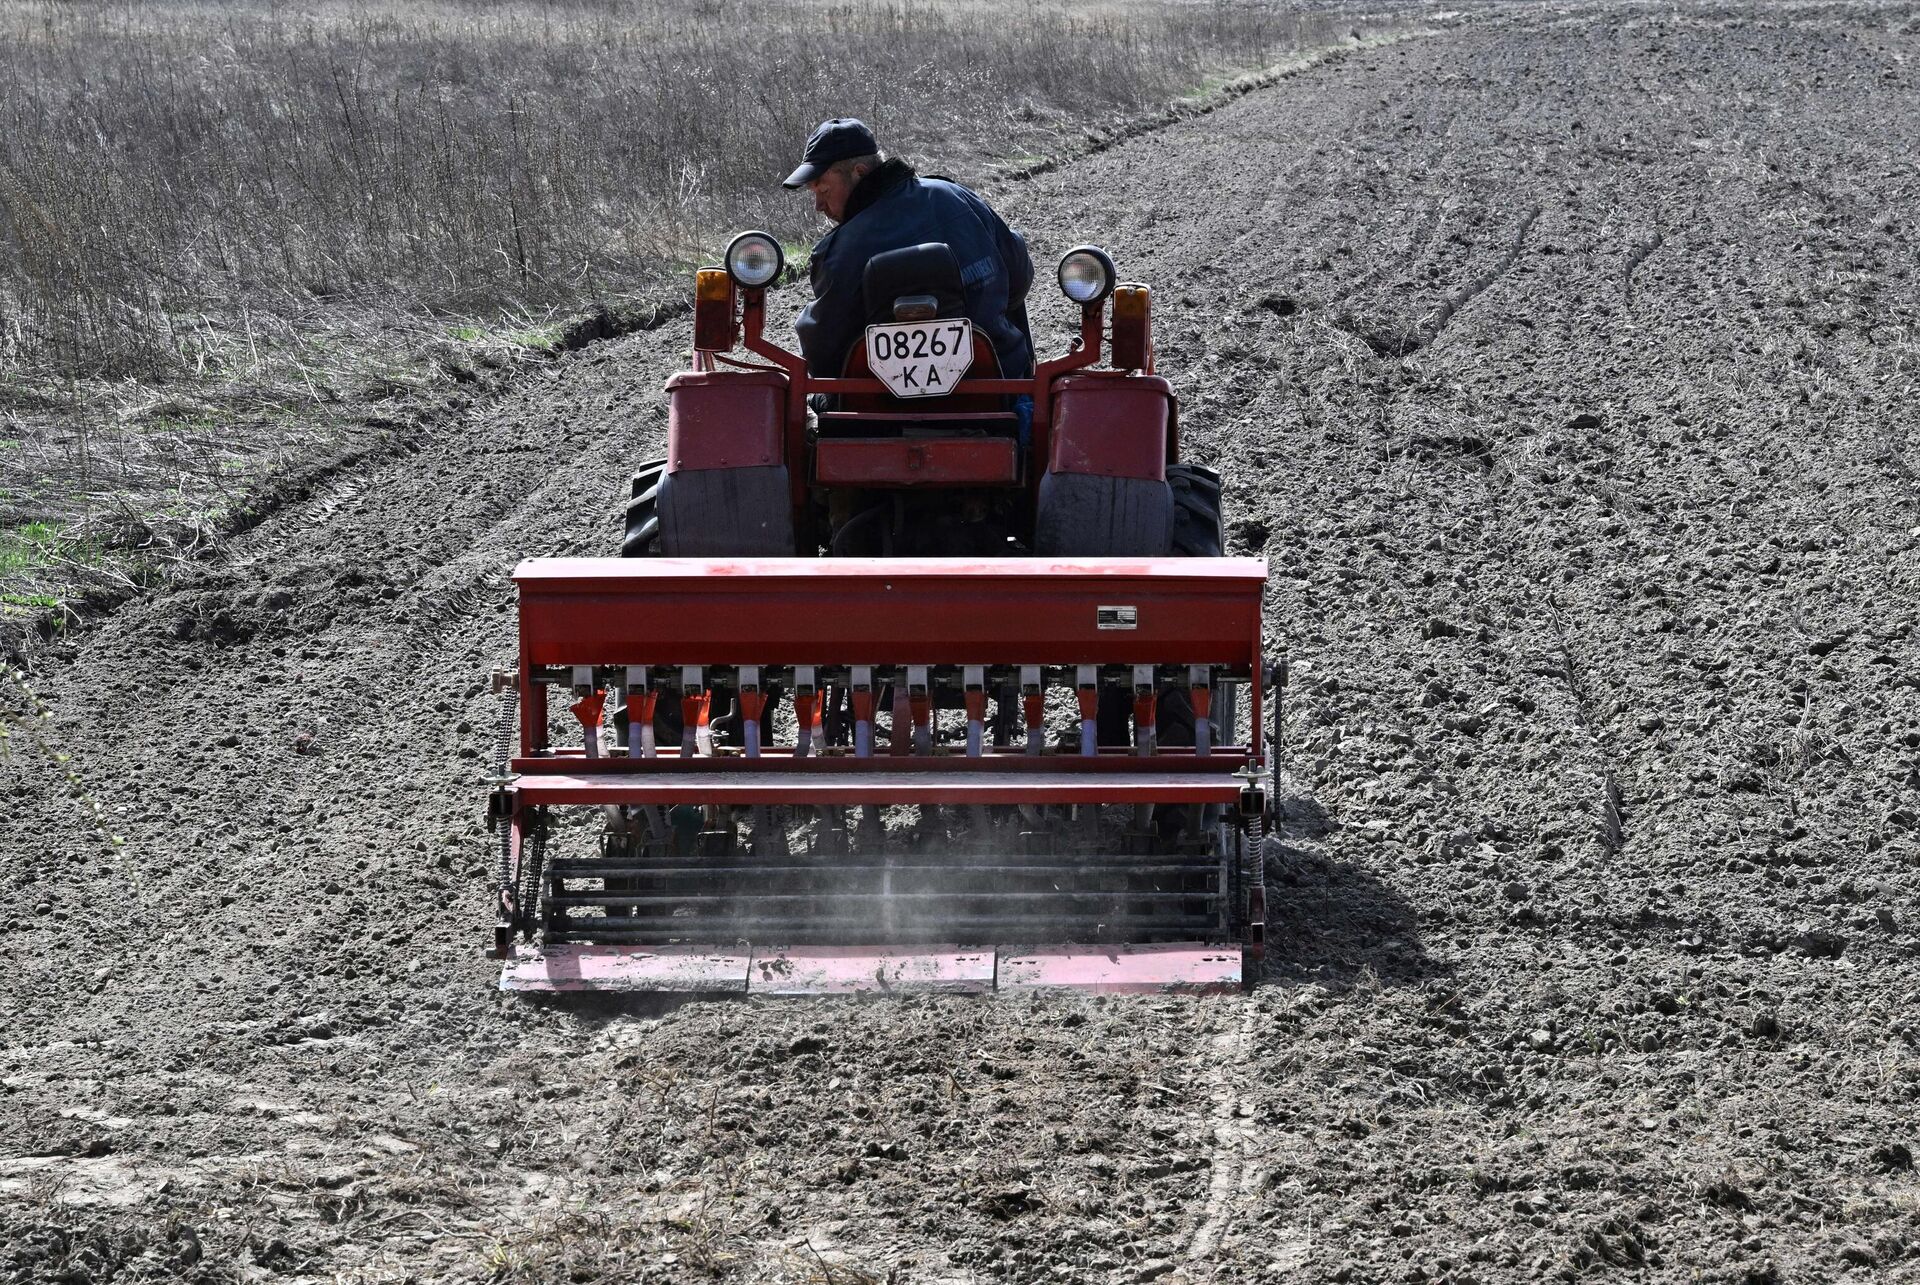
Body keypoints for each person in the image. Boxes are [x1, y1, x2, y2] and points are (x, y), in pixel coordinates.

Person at [784, 118, 1034, 381]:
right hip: (993, 387)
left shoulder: (838, 251)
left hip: (872, 410)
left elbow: (823, 354)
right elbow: (1019, 276)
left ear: (859, 172)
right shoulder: (957, 197)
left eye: (823, 189)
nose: (818, 205)